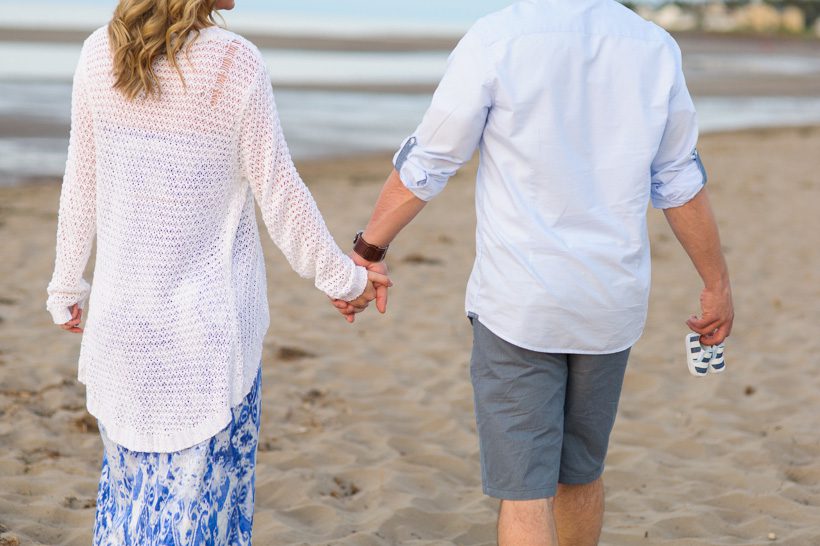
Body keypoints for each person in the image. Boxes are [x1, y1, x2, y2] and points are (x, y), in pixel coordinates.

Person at [332, 1, 734, 544]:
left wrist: (369, 248)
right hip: (609, 304)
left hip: (519, 301)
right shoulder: (653, 46)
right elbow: (679, 180)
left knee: (525, 494)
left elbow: (430, 161)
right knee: (581, 474)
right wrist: (716, 284)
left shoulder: (498, 38)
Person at [46, 0, 389, 543]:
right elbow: (279, 193)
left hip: (121, 328)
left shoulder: (98, 54)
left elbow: (79, 182)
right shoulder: (235, 63)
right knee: (201, 519)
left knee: (127, 507)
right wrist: (345, 280)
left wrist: (67, 283)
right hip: (204, 342)